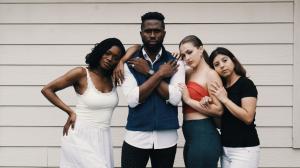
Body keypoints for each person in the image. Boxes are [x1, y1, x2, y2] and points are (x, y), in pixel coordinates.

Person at [41, 38, 125, 168]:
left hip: (103, 137)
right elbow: (47, 90)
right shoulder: (81, 73)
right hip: (80, 135)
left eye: (115, 57)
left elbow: (136, 47)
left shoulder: (113, 78)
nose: (110, 58)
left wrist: (123, 61)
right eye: (107, 53)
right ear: (100, 52)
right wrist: (70, 112)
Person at [119, 12, 185, 168]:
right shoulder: (130, 62)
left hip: (166, 138)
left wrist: (149, 72)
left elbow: (175, 98)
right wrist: (161, 74)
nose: (153, 35)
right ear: (141, 33)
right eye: (148, 31)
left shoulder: (176, 63)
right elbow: (133, 99)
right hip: (136, 137)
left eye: (157, 31)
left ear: (164, 33)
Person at [209, 47, 260, 168]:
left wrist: (225, 99)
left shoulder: (246, 84)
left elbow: (248, 117)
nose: (222, 65)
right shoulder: (221, 89)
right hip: (225, 148)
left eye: (224, 60)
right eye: (216, 64)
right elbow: (221, 124)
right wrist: (209, 105)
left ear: (233, 60)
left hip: (245, 149)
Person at [177, 35, 223, 168]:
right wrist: (175, 58)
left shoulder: (211, 74)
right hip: (190, 137)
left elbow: (219, 110)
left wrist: (187, 100)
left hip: (204, 135)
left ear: (201, 49)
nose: (187, 58)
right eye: (183, 55)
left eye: (189, 52)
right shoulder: (187, 72)